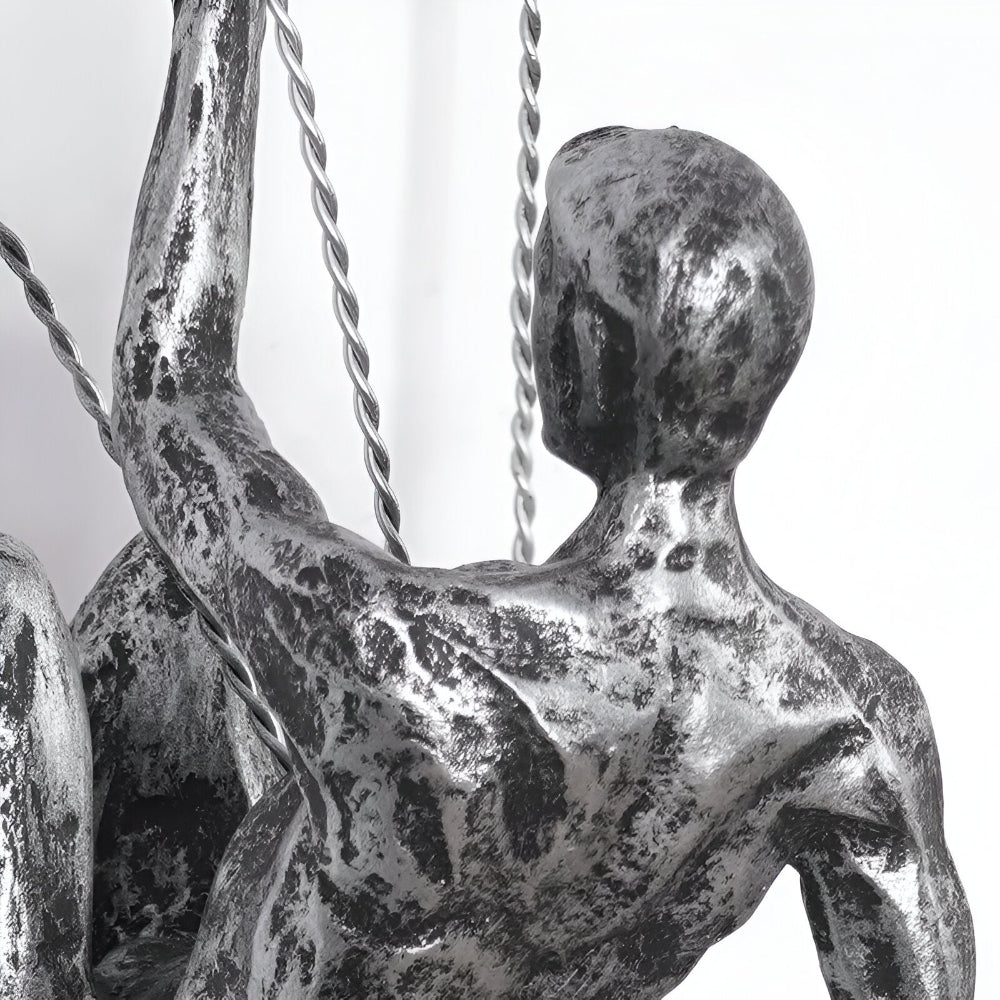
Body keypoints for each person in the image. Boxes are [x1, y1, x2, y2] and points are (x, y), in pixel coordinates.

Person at [1, 1, 975, 997]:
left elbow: (171, 386)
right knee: (169, 601)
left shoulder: (411, 663)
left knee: (11, 606)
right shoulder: (854, 723)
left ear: (584, 351)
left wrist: (217, 23)